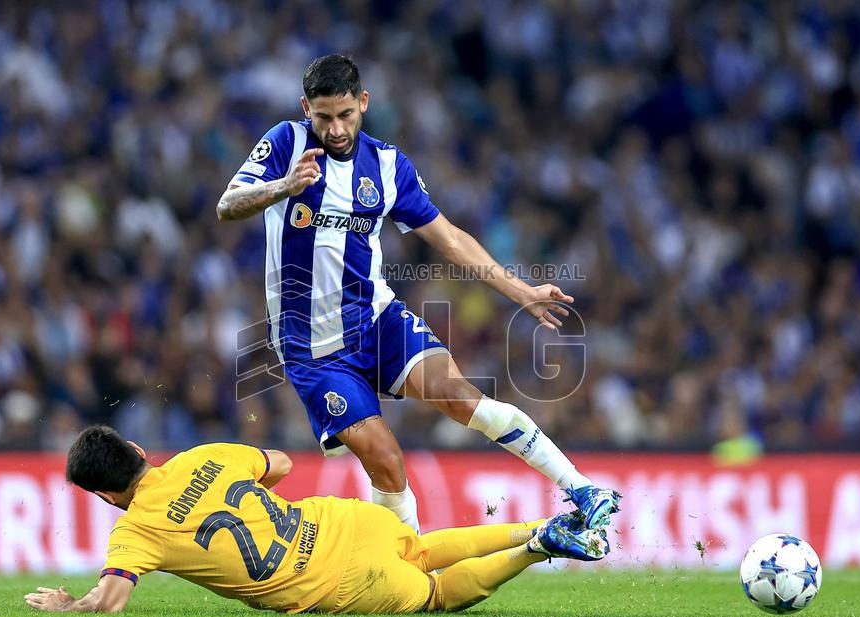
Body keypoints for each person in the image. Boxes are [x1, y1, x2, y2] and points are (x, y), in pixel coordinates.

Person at [215, 54, 620, 533]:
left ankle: (581, 488)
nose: (337, 128)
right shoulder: (285, 143)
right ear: (306, 108)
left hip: (376, 318)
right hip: (312, 349)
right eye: (324, 117)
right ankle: (406, 571)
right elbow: (228, 205)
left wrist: (519, 290)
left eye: (346, 114)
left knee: (462, 397)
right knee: (386, 460)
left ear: (363, 103)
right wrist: (284, 186)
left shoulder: (386, 165)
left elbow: (449, 238)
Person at [24, 426, 610, 615]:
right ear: (137, 448)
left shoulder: (134, 533)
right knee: (424, 547)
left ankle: (535, 548)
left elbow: (110, 602)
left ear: (103, 495)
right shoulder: (201, 456)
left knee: (433, 595)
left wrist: (67, 607)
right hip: (343, 521)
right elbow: (277, 463)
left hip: (336, 582)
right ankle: (535, 525)